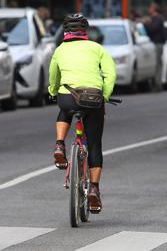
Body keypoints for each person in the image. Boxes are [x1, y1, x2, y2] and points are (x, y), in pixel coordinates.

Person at [48, 13, 116, 212]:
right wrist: (105, 95)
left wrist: (53, 92)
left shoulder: (60, 50)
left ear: (65, 32)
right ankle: (94, 189)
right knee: (95, 144)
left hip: (67, 97)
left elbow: (54, 75)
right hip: (93, 98)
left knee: (65, 109)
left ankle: (59, 144)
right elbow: (110, 74)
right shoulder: (97, 48)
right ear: (85, 31)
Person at [144, 3, 166, 91]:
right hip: (154, 43)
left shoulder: (157, 18)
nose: (149, 9)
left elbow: (152, 29)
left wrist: (145, 24)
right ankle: (155, 83)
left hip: (157, 43)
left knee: (157, 64)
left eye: (150, 8)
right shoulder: (154, 18)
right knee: (155, 64)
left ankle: (158, 84)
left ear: (154, 9)